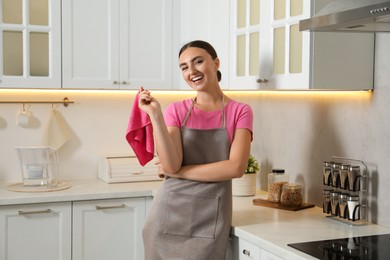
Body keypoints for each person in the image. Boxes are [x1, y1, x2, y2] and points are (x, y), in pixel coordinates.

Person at [139, 40, 253, 259]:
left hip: (211, 218)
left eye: (198, 62)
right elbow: (171, 163)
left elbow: (235, 168)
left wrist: (178, 172)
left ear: (216, 63)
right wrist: (155, 115)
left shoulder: (240, 111)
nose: (191, 71)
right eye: (184, 67)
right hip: (167, 213)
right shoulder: (176, 110)